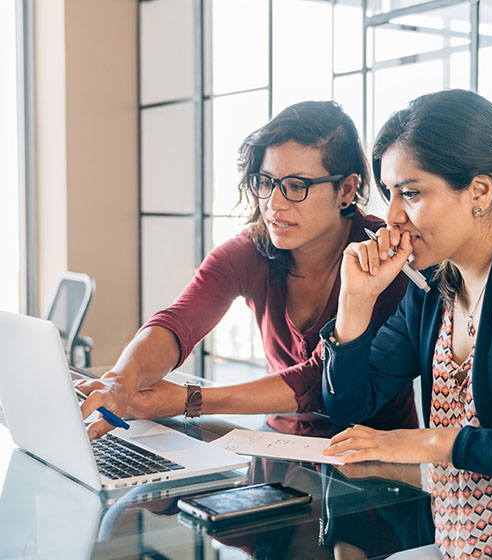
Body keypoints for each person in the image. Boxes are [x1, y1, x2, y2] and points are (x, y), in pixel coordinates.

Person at [319, 89, 492, 558]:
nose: (391, 218)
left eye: (411, 193)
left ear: (480, 191)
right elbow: (349, 404)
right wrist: (355, 302)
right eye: (389, 193)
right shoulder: (434, 285)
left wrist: (436, 442)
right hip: (453, 547)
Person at [76, 100, 417, 441]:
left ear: (346, 189)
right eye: (265, 182)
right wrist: (121, 380)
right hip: (278, 444)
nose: (273, 203)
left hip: (375, 464)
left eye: (296, 186)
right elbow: (179, 321)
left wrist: (190, 400)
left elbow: (318, 382)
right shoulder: (254, 248)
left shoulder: (384, 258)